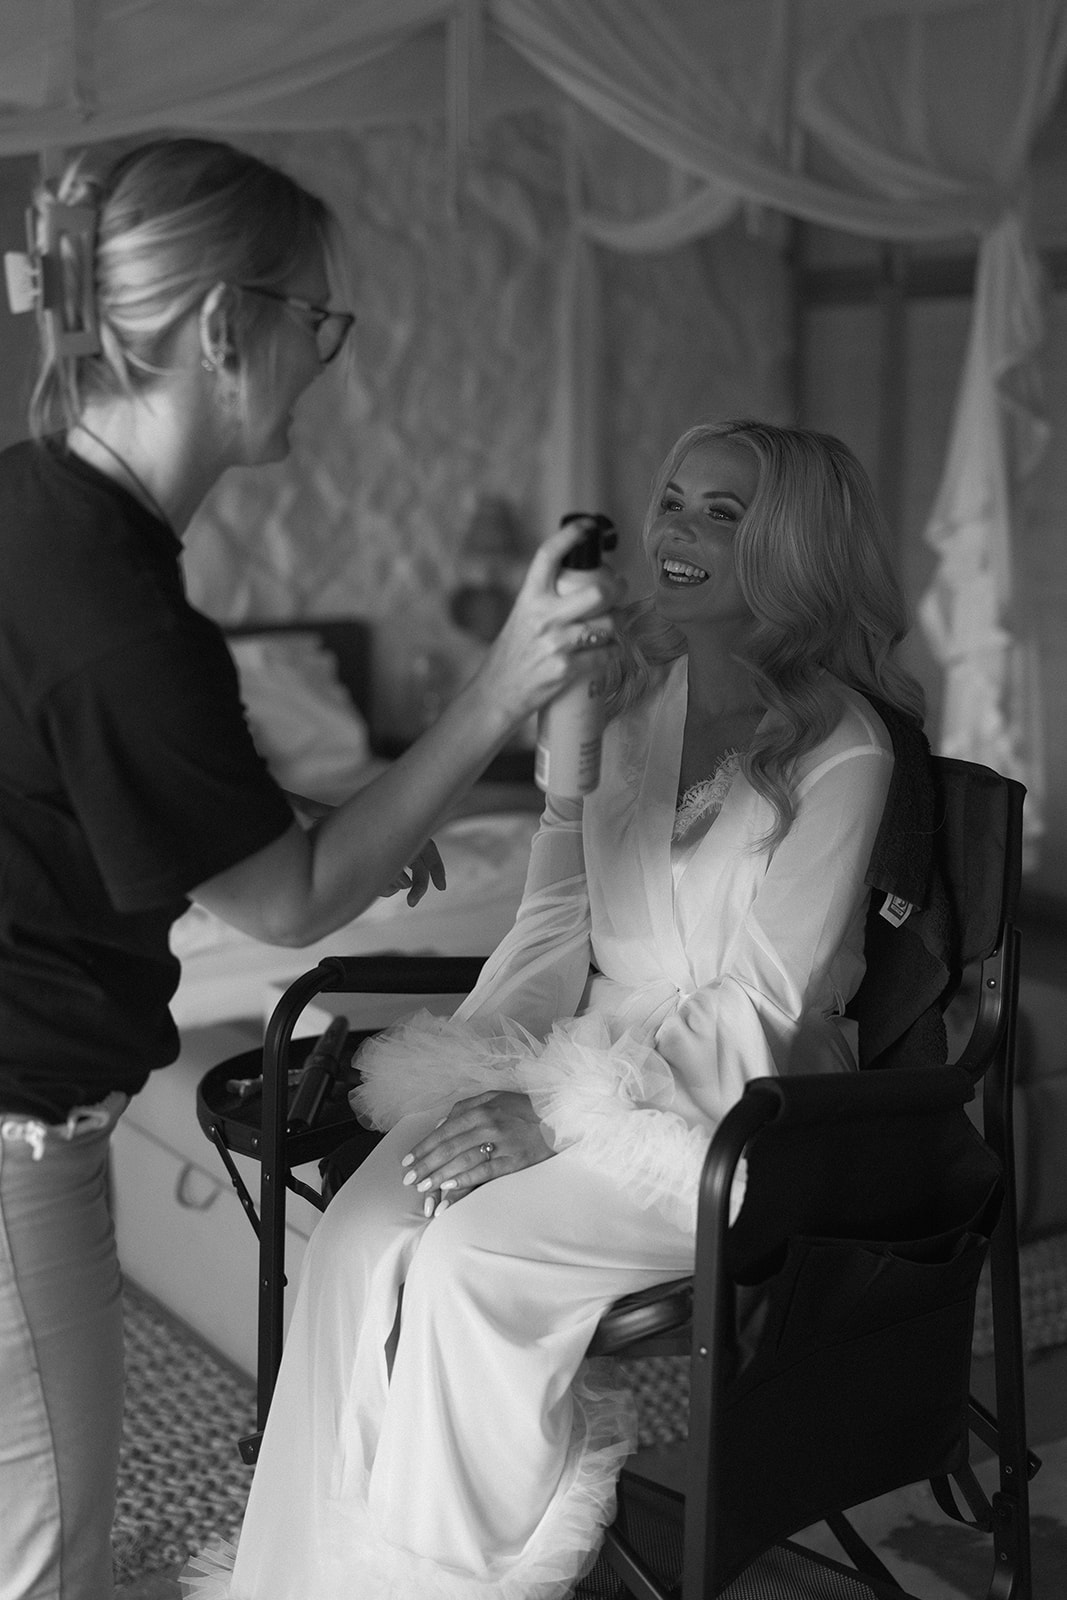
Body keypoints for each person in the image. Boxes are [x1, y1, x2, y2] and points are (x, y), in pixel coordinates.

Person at [0, 136, 619, 1600]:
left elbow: (60, 757)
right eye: (317, 324)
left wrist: (264, 806)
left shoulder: (36, 507)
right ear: (227, 327)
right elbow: (282, 903)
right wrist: (500, 685)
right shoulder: (124, 617)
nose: (324, 363)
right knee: (49, 1557)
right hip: (17, 1125)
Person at [181, 419, 929, 1600]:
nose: (676, 529)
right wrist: (482, 1068)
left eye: (722, 512)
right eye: (671, 500)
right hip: (582, 1066)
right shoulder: (617, 710)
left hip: (738, 1111)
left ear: (789, 549)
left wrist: (557, 1121)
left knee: (468, 1261)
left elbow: (766, 1006)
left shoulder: (843, 749)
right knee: (364, 1232)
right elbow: (551, 920)